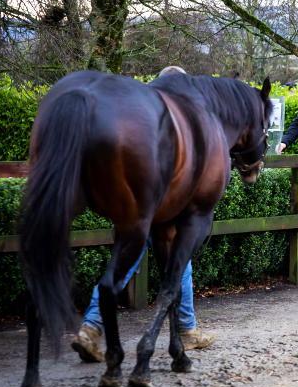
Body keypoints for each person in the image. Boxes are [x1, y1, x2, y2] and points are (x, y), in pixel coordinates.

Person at [71, 66, 214, 363]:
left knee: (121, 268)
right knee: (179, 265)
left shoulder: (141, 119)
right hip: (160, 212)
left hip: (136, 209)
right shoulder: (178, 124)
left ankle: (91, 327)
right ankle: (187, 329)